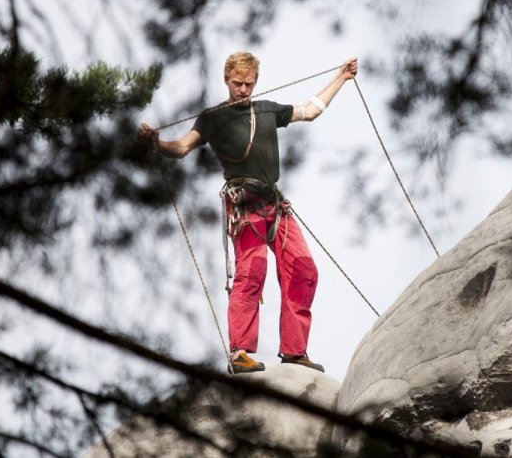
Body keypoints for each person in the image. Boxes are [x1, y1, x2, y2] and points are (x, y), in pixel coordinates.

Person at [137, 52, 358, 374]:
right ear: (226, 79)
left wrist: (341, 78)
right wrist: (157, 143)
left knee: (304, 270)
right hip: (245, 206)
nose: (243, 89)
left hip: (276, 205)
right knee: (251, 273)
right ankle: (240, 352)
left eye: (249, 84)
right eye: (238, 83)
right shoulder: (213, 119)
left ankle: (295, 351)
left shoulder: (267, 110)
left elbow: (310, 111)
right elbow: (182, 148)